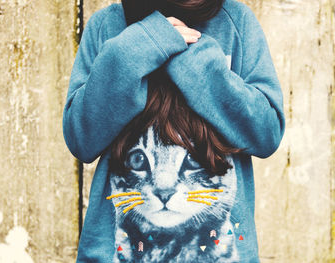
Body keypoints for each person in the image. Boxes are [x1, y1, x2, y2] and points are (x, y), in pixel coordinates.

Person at [62, 0, 285, 262]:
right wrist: (140, 44)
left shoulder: (236, 22)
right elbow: (81, 139)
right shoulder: (106, 26)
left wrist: (198, 62)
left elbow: (266, 133)